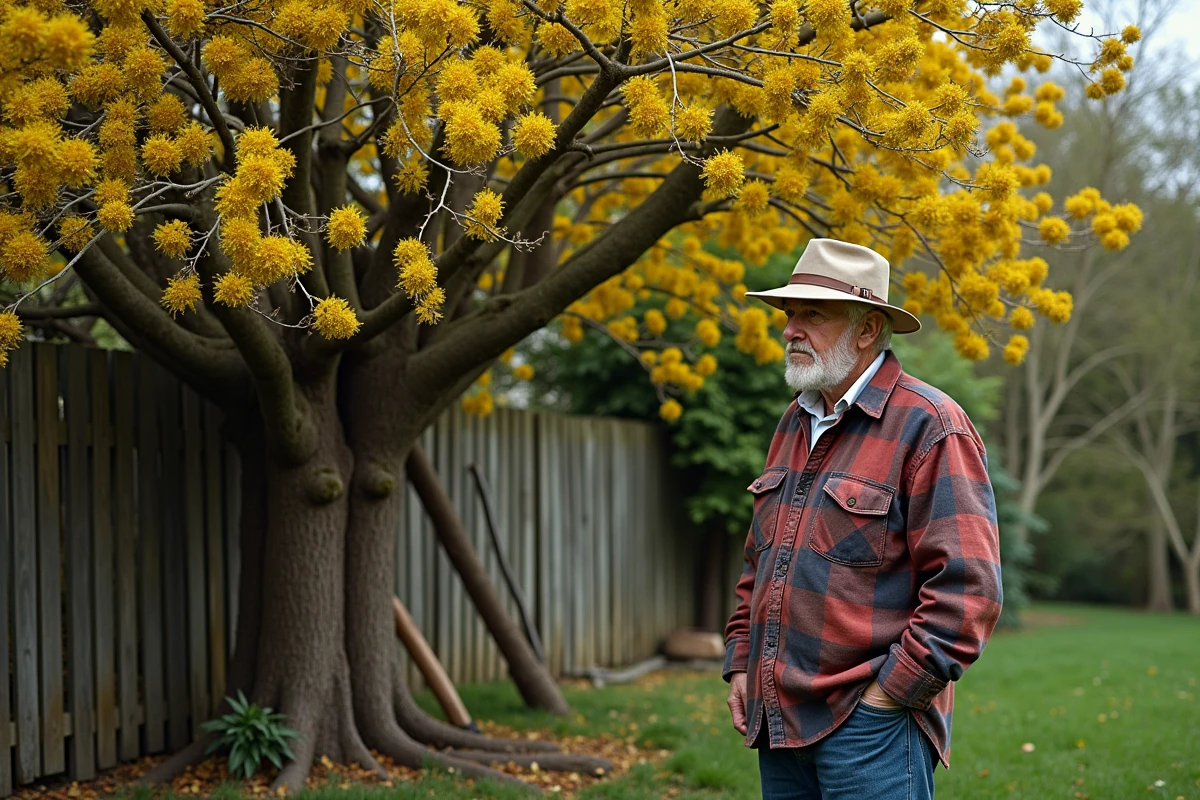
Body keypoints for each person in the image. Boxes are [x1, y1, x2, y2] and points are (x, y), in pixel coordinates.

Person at [722, 238, 1003, 800]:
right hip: (778, 723)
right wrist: (741, 663)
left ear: (868, 328)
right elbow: (763, 559)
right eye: (789, 314)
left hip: (870, 729)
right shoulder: (794, 422)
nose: (789, 330)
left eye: (812, 314)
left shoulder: (931, 425)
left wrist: (887, 698)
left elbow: (969, 591)